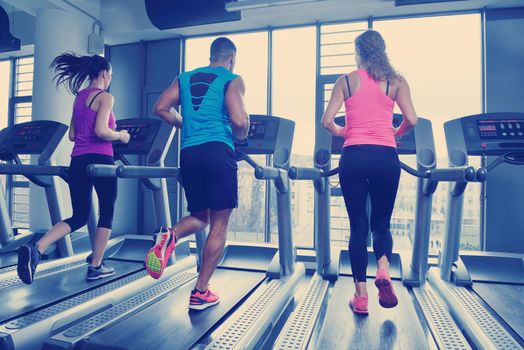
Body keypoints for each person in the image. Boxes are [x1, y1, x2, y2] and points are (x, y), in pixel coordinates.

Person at [147, 37, 250, 311]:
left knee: (199, 216)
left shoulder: (184, 77)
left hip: (189, 154)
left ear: (211, 55)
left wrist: (184, 123)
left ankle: (170, 235)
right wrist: (242, 132)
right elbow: (239, 121)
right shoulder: (231, 79)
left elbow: (160, 108)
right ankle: (201, 291)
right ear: (231, 58)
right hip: (218, 150)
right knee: (219, 223)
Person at [321, 30, 417, 315]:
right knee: (381, 224)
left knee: (358, 226)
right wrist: (395, 133)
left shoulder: (346, 81)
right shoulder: (396, 82)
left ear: (358, 52)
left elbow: (327, 122)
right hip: (385, 156)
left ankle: (361, 297)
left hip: (354, 155)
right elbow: (411, 119)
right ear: (383, 51)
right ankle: (384, 268)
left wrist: (343, 131)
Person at [17, 53, 131, 284]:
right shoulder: (105, 97)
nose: (110, 79)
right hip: (101, 161)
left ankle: (36, 248)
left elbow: (72, 135)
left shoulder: (79, 98)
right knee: (106, 212)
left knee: (79, 215)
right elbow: (101, 131)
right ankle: (96, 266)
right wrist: (121, 135)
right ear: (104, 73)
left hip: (78, 161)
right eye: (110, 75)